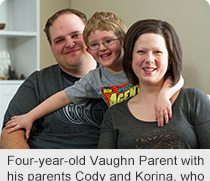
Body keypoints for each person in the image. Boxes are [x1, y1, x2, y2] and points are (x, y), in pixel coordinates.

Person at [3, 12, 184, 140]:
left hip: (153, 124)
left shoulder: (136, 65)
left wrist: (164, 95)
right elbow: (63, 97)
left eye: (108, 41)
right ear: (89, 50)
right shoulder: (94, 79)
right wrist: (29, 116)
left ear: (124, 40)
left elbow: (175, 76)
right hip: (121, 135)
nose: (102, 48)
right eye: (95, 44)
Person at [0, 9, 106, 149]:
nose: (69, 44)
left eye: (76, 35)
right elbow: (10, 132)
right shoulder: (37, 82)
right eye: (60, 40)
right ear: (52, 48)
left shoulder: (119, 77)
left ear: (90, 36)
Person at [98, 19, 210, 149]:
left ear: (169, 60)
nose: (149, 59)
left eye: (158, 52)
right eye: (141, 52)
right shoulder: (114, 116)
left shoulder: (193, 100)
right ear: (130, 59)